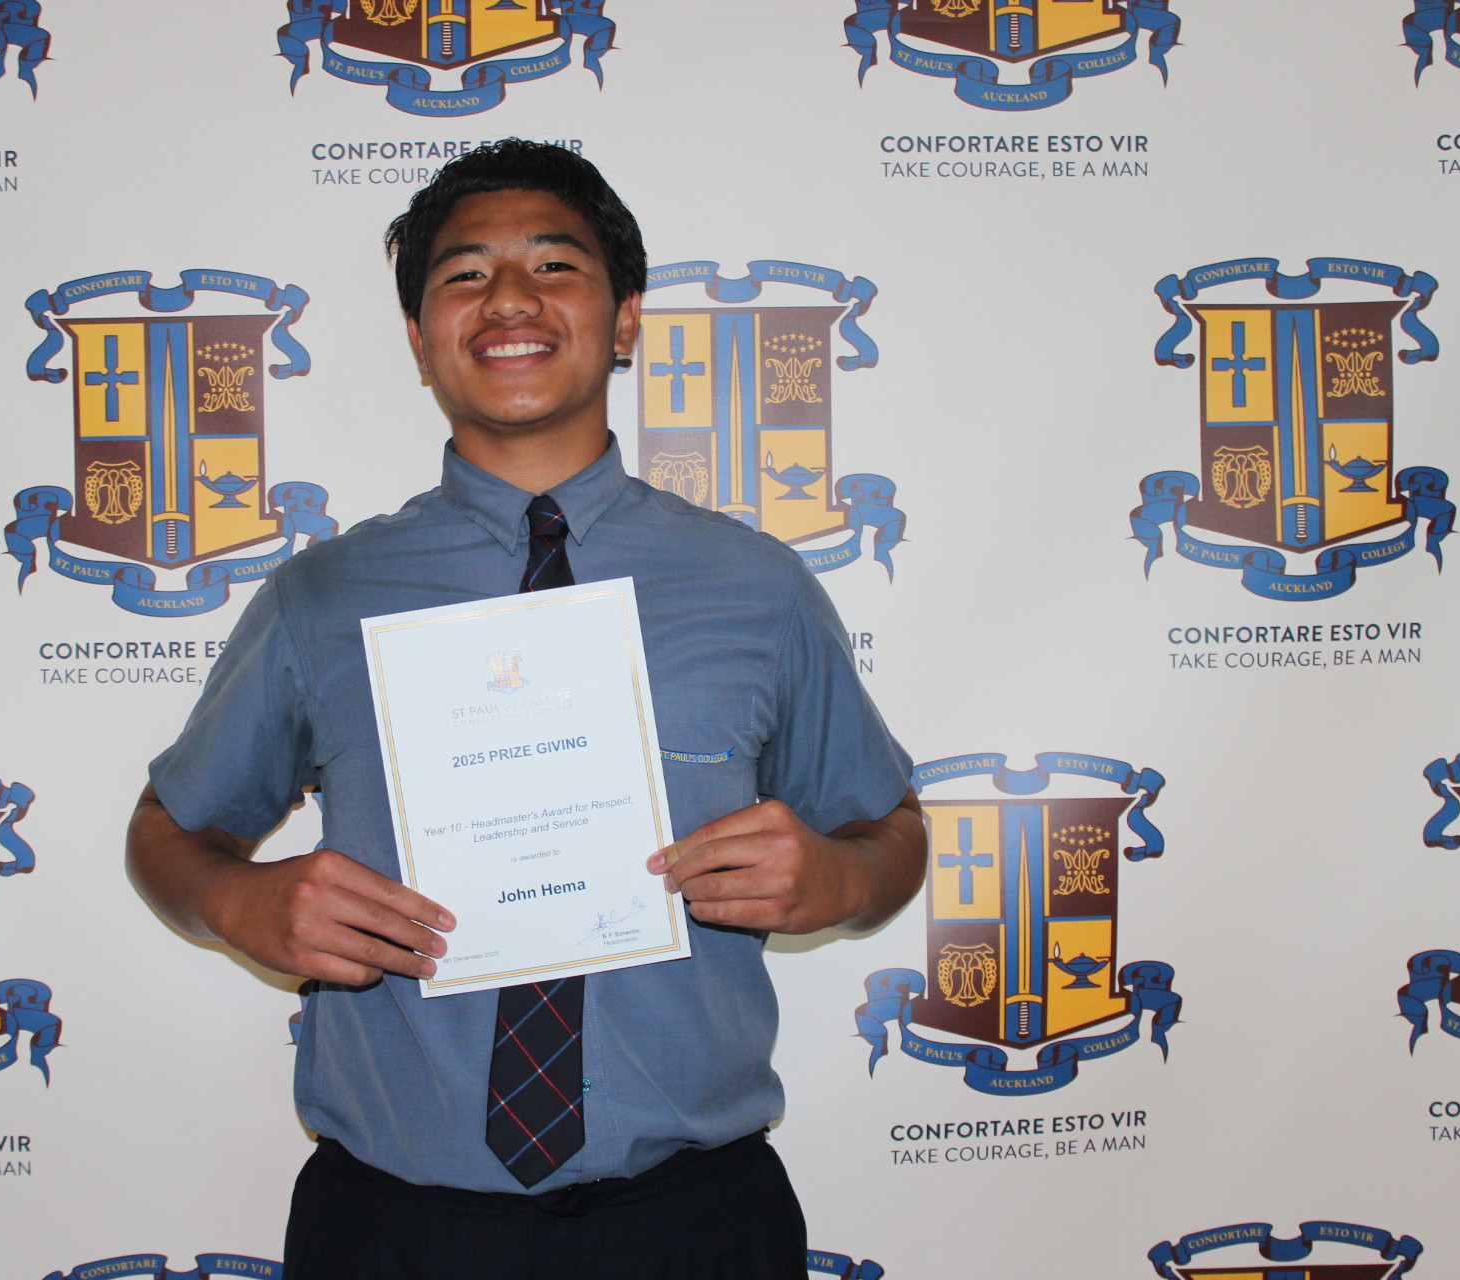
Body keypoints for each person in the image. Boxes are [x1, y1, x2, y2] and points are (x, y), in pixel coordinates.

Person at [127, 139, 927, 1280]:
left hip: (692, 1225)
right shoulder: (321, 598)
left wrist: (839, 879)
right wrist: (234, 896)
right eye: (464, 274)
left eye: (554, 265)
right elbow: (166, 829)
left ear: (626, 316)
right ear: (419, 339)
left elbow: (891, 829)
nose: (508, 297)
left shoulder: (757, 588)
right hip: (398, 1231)